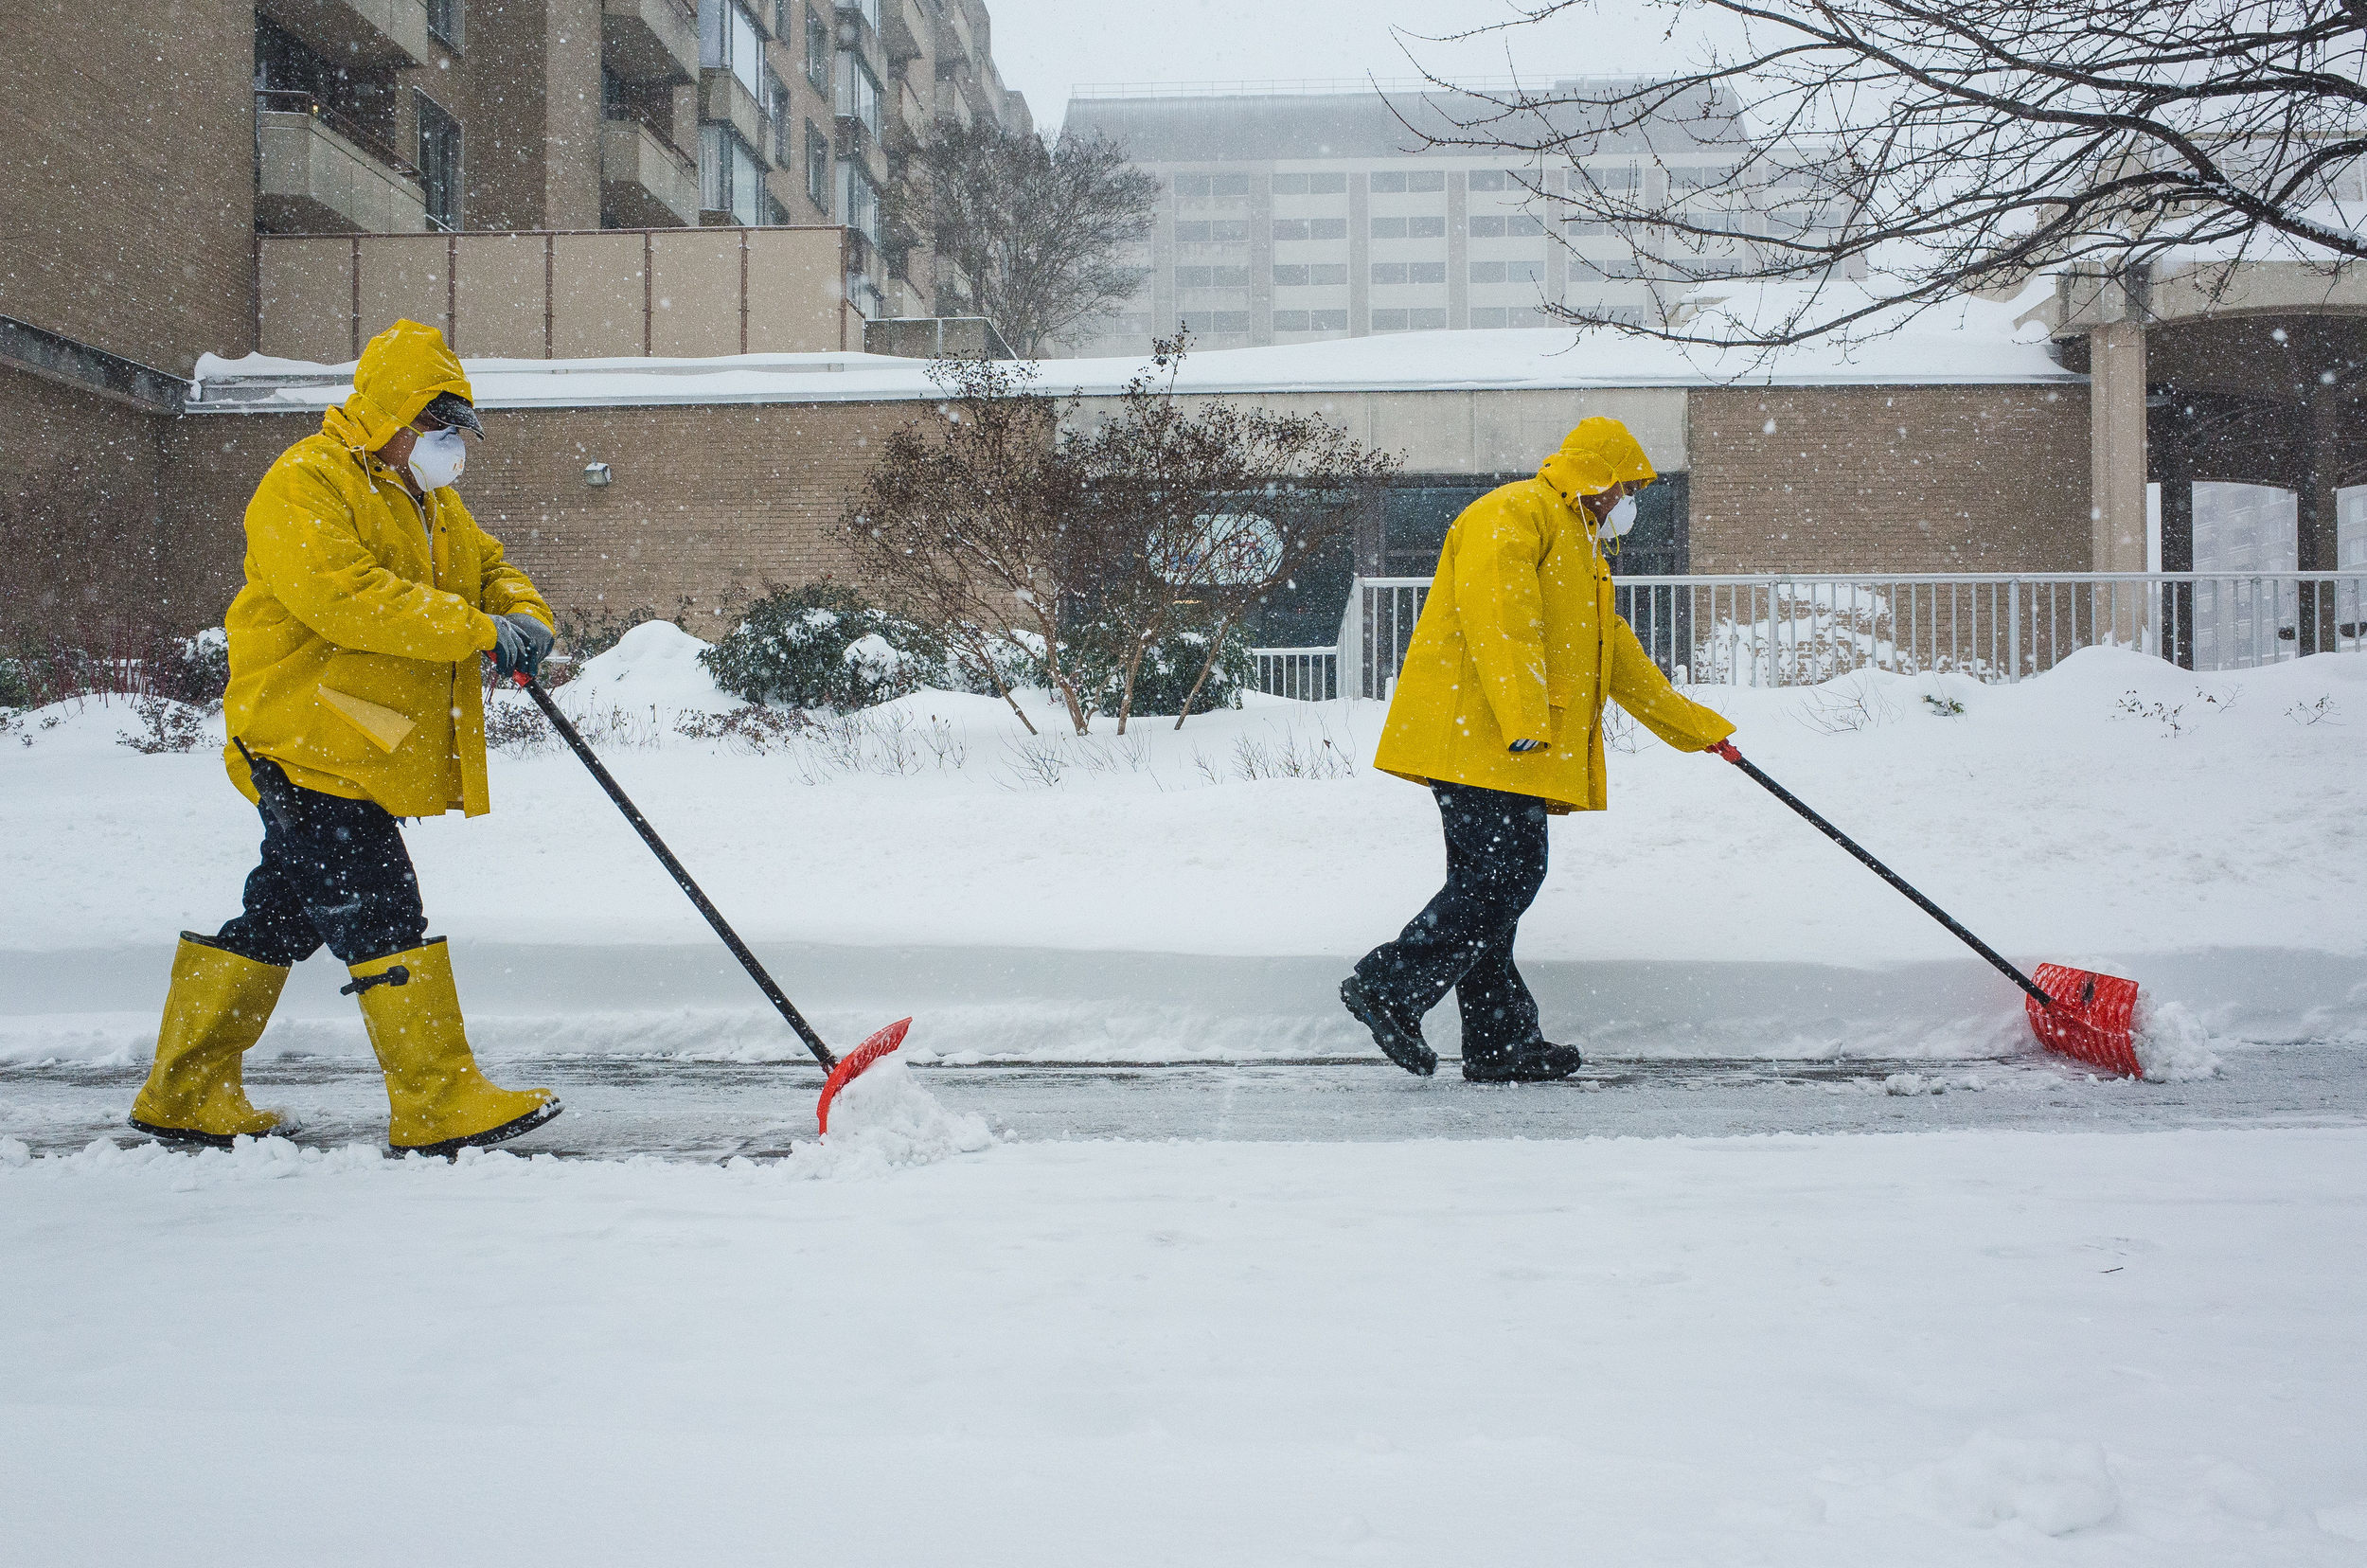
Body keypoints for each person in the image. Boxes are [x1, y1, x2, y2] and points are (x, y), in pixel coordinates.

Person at [129, 319, 563, 1156]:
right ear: (391, 416)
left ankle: (185, 1090)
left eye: (454, 430)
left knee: (281, 916)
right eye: (435, 428)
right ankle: (437, 1101)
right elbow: (348, 597)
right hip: (303, 737)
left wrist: (522, 620)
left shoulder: (430, 499)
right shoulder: (306, 483)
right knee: (381, 908)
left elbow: (492, 568)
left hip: (362, 742)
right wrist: (476, 631)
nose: (448, 447)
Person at [1340, 418, 1737, 1083]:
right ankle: (1390, 986)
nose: (1629, 502)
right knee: (1506, 879)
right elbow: (1503, 617)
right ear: (1598, 479)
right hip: (1482, 736)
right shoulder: (1514, 512)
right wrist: (1525, 716)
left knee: (1493, 885)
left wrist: (1696, 729)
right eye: (1627, 486)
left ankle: (1499, 1044)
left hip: (1502, 744)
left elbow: (1617, 656)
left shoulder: (1581, 550)